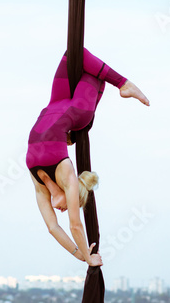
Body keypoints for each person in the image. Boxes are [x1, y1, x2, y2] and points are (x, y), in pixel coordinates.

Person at [26, 48, 149, 267]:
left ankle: (121, 87)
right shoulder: (67, 176)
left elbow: (53, 228)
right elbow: (75, 226)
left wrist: (79, 254)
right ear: (72, 193)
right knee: (82, 59)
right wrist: (88, 258)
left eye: (66, 208)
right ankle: (123, 85)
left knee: (77, 57)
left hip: (56, 103)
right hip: (77, 111)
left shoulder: (38, 184)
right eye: (73, 204)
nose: (63, 210)